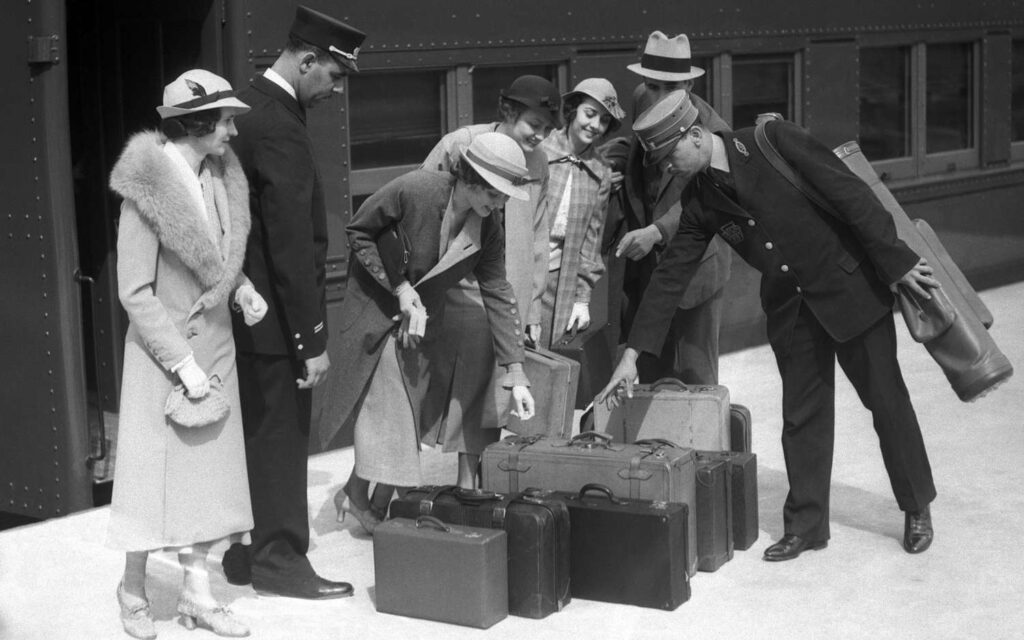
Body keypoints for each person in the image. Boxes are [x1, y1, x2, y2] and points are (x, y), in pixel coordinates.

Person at [598, 90, 939, 561]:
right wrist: (631, 356)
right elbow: (670, 277)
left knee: (887, 402)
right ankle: (806, 526)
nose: (666, 167)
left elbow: (851, 195)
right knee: (802, 416)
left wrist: (896, 262)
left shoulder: (772, 139)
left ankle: (916, 505)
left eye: (669, 153)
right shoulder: (700, 200)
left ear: (696, 135)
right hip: (792, 311)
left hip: (849, 291)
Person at [106, 69, 265, 639]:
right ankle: (132, 589)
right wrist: (182, 362)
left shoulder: (218, 175)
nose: (232, 132)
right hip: (164, 356)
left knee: (206, 483)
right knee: (150, 486)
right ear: (196, 123)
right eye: (225, 121)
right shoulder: (145, 193)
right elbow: (134, 292)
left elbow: (215, 257)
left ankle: (197, 596)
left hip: (215, 347)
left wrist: (242, 287)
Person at [323, 132, 537, 533]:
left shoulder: (488, 227)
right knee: (395, 410)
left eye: (506, 197)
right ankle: (361, 499)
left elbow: (496, 290)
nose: (500, 204)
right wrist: (400, 289)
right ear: (472, 179)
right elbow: (360, 230)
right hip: (379, 308)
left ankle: (366, 496)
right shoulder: (417, 188)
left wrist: (516, 372)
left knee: (409, 411)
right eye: (496, 194)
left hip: (421, 319)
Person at [222, 5, 366, 599]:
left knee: (256, 437)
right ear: (306, 60)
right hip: (278, 322)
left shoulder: (247, 107)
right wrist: (311, 340)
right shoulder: (279, 124)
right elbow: (288, 243)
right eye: (333, 76)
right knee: (281, 441)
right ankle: (280, 559)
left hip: (244, 312)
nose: (335, 90)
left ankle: (250, 552)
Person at [416, 75, 560, 490]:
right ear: (508, 111)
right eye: (535, 124)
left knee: (491, 397)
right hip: (451, 292)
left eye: (549, 129)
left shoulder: (539, 163)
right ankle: (381, 483)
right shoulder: (460, 143)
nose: (541, 135)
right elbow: (422, 209)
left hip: (500, 296)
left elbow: (537, 235)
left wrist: (531, 308)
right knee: (421, 391)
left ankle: (468, 485)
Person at [616, 31, 732, 385]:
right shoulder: (641, 98)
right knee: (649, 372)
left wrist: (657, 231)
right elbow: (634, 150)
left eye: (672, 88)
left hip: (697, 270)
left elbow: (710, 197)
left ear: (689, 84)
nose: (661, 97)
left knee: (697, 377)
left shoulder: (712, 131)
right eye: (654, 86)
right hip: (649, 272)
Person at [537, 78, 621, 346]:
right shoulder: (539, 149)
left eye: (604, 120)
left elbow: (591, 243)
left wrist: (582, 299)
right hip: (518, 272)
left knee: (546, 361)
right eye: (590, 113)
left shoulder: (600, 171)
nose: (595, 125)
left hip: (559, 281)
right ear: (573, 110)